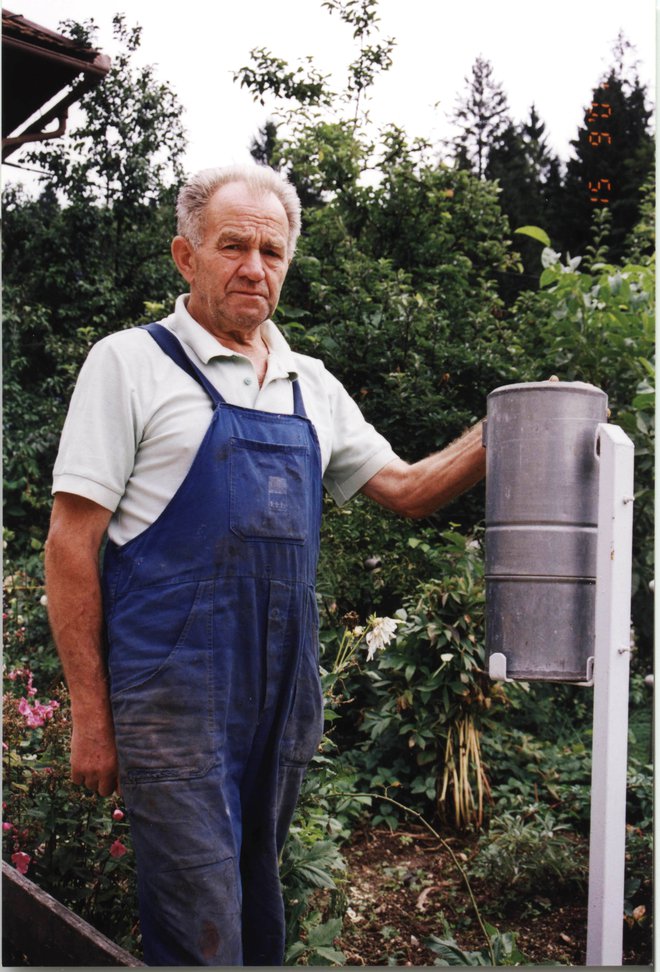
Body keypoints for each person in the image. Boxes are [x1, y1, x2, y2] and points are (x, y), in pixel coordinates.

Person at [45, 163, 485, 966]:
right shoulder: (128, 364)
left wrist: (505, 429)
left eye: (272, 251)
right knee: (199, 924)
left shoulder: (309, 384)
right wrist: (89, 713)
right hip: (172, 705)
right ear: (186, 256)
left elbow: (409, 489)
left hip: (281, 699)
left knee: (255, 901)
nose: (254, 266)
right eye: (232, 246)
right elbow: (71, 546)